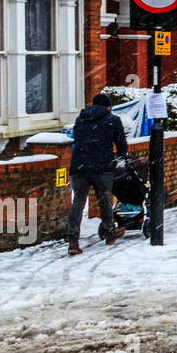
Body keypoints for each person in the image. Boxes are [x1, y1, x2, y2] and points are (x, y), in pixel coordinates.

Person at [68, 92, 129, 255]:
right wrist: (123, 158)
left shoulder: (81, 118)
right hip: (102, 166)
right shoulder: (113, 120)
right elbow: (121, 143)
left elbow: (78, 138)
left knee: (78, 202)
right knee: (104, 199)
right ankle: (109, 231)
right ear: (108, 106)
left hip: (79, 166)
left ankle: (73, 240)